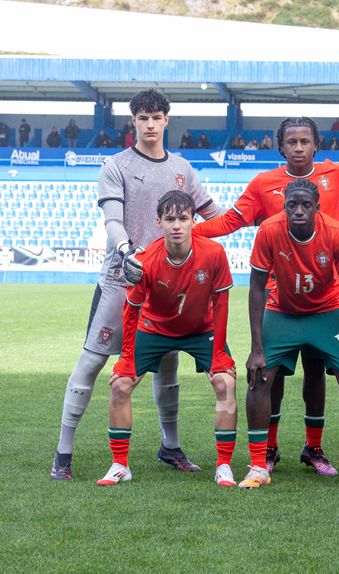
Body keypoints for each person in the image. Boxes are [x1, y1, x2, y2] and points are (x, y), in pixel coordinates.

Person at [50, 89, 221, 480]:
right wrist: (128, 251)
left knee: (168, 363)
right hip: (120, 279)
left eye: (156, 117)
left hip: (169, 284)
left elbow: (213, 215)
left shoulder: (182, 168)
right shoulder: (116, 165)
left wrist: (257, 216)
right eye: (143, 117)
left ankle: (170, 446)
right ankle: (63, 451)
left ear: (166, 121)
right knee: (93, 360)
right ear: (134, 122)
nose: (150, 124)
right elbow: (112, 220)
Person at [194, 117, 339, 475]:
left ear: (316, 145)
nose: (298, 148)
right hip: (279, 296)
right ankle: (268, 449)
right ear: (281, 147)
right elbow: (231, 221)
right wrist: (190, 232)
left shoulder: (335, 173)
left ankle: (313, 448)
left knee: (316, 374)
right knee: (273, 374)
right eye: (291, 142)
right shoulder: (263, 183)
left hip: (325, 296)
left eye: (305, 141)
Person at [95, 191, 237, 487]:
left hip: (201, 330)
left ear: (194, 220)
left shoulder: (214, 253)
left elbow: (221, 305)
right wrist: (126, 358)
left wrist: (220, 354)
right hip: (154, 328)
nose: (176, 225)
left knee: (225, 382)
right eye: (170, 219)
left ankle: (224, 465)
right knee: (120, 385)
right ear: (158, 222)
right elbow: (131, 310)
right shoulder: (146, 260)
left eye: (183, 218)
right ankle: (120, 465)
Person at [242, 178, 339, 490]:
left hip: (326, 311)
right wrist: (256, 348)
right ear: (284, 207)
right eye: (292, 205)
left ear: (317, 208)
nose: (298, 210)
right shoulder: (269, 230)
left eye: (305, 205)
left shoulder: (336, 232)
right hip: (282, 311)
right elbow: (256, 288)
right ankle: (258, 464)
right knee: (259, 375)